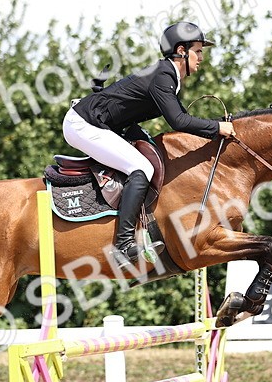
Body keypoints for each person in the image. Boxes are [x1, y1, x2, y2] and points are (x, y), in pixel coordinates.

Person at [62, 21, 236, 270]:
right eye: (198, 51)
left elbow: (182, 117)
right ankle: (122, 246)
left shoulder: (168, 76)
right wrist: (218, 128)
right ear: (181, 51)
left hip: (100, 122)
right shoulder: (164, 75)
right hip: (83, 124)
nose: (201, 58)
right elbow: (179, 121)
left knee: (144, 159)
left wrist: (213, 131)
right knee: (141, 167)